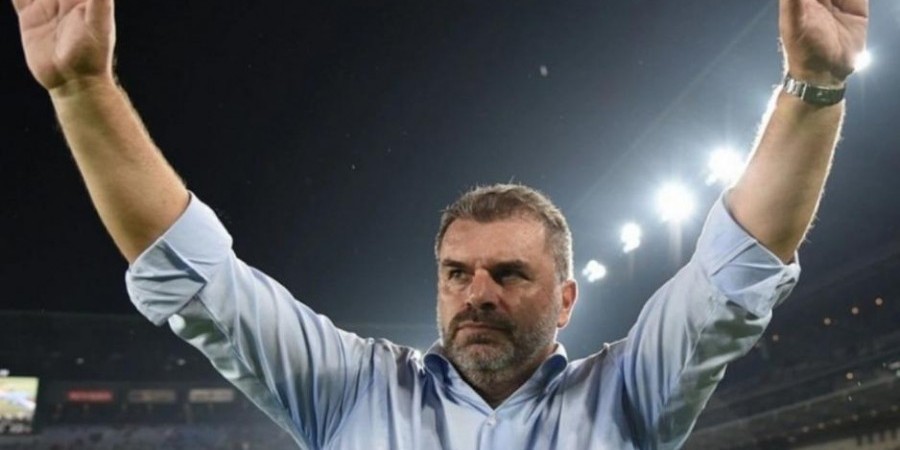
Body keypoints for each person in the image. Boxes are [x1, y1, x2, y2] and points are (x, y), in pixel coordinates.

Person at [11, 0, 868, 448]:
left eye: (510, 273)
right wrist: (82, 90)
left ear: (566, 299)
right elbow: (200, 282)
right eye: (458, 273)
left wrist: (816, 87)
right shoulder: (349, 390)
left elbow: (735, 273)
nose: (477, 293)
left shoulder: (627, 394)